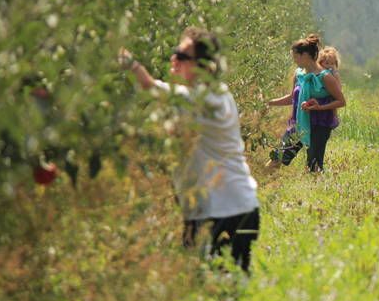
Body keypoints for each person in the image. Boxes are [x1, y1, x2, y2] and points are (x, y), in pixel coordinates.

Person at [120, 27, 260, 273]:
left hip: (223, 212)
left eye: (182, 56)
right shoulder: (215, 94)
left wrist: (124, 58)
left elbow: (147, 85)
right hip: (225, 207)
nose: (174, 59)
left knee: (217, 287)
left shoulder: (204, 100)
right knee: (221, 288)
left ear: (203, 65)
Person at [267, 34, 345, 172]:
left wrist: (319, 107)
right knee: (277, 157)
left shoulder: (325, 77)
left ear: (306, 56)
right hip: (298, 124)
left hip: (319, 124)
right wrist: (269, 103)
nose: (294, 60)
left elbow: (341, 101)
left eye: (295, 56)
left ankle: (317, 191)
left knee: (314, 166)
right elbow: (292, 98)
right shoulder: (298, 74)